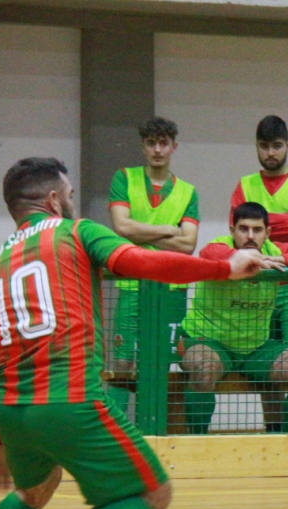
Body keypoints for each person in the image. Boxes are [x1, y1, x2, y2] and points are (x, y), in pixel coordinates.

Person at [0, 157, 275, 509]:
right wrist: (224, 267)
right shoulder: (76, 232)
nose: (73, 203)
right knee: (152, 492)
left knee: (32, 490)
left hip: (11, 408)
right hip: (70, 398)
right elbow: (139, 261)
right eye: (70, 196)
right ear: (54, 200)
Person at [180, 202, 288, 434]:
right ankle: (195, 443)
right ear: (232, 231)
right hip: (208, 342)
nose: (250, 236)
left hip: (256, 349)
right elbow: (209, 254)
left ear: (267, 233)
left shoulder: (273, 251)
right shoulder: (218, 247)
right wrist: (243, 259)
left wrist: (280, 260)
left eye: (257, 230)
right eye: (243, 229)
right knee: (204, 368)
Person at [230, 115, 288, 432]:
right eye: (265, 146)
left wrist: (262, 226)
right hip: (259, 285)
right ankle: (274, 435)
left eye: (277, 146)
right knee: (268, 367)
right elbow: (237, 232)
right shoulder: (245, 184)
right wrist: (286, 222)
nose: (271, 152)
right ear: (257, 146)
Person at [106, 116, 200, 413]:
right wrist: (169, 230)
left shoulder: (188, 192)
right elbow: (122, 227)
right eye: (151, 143)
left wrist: (142, 234)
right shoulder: (124, 178)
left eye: (163, 143)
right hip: (131, 285)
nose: (157, 149)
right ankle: (117, 431)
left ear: (174, 146)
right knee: (123, 363)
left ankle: (155, 429)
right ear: (142, 146)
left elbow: (188, 245)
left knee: (161, 363)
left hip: (171, 290)